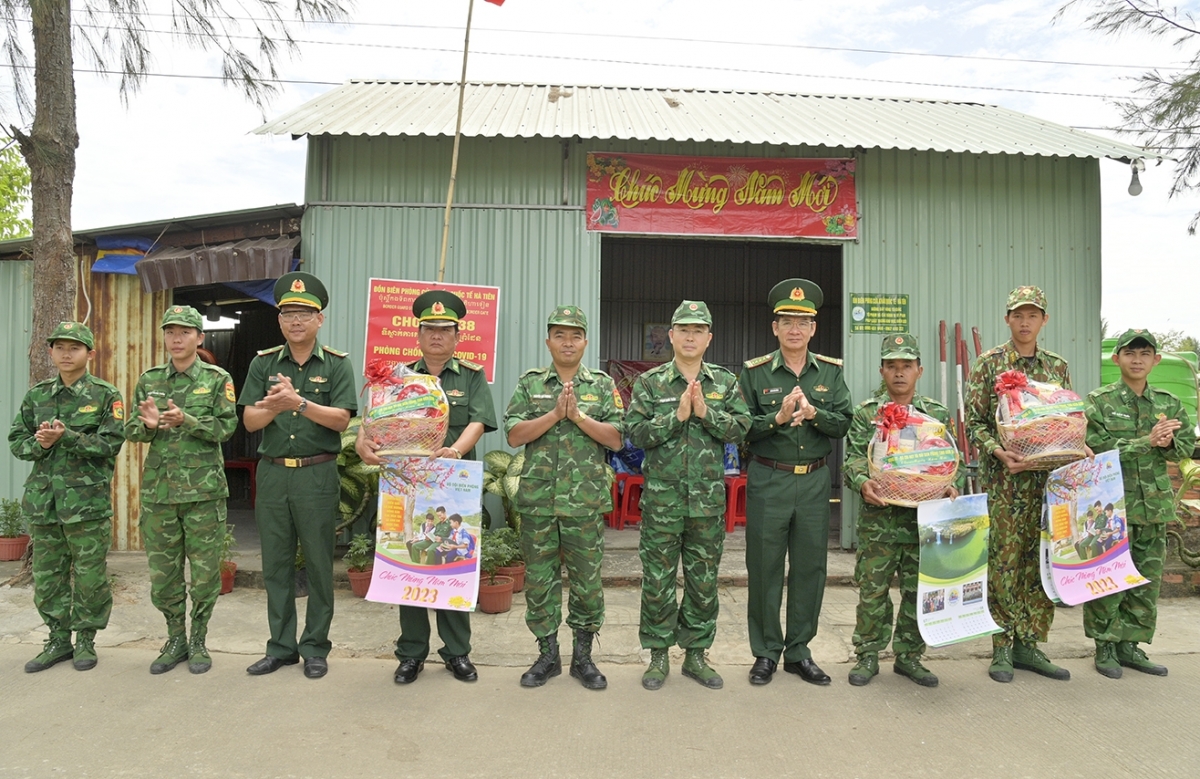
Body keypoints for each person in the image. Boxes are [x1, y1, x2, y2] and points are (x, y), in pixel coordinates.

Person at [358, 290, 497, 685]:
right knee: (409, 564)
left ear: (458, 336)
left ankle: (457, 653)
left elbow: (479, 421)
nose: (437, 336)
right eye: (430, 329)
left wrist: (453, 450)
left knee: (451, 564)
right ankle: (411, 653)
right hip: (406, 482)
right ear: (417, 334)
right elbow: (374, 422)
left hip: (451, 484)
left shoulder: (471, 376)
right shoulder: (398, 377)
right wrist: (362, 443)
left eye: (445, 330)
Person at [626, 300, 750, 690]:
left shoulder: (725, 383)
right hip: (662, 502)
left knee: (702, 580)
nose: (691, 336)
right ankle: (659, 655)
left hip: (707, 503)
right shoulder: (650, 383)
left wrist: (705, 413)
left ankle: (696, 655)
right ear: (672, 336)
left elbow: (741, 429)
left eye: (699, 330)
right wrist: (676, 416)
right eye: (684, 329)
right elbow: (635, 434)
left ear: (709, 338)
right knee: (658, 580)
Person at [239, 272, 357, 680]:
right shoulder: (262, 363)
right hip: (273, 476)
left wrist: (299, 402)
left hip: (317, 475)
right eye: (288, 313)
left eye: (305, 313)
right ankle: (281, 647)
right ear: (279, 319)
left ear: (319, 319)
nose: (296, 321)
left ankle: (316, 647)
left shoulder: (338, 365)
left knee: (321, 565)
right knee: (275, 564)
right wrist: (278, 404)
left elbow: (341, 420)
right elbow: (251, 421)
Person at [965, 285, 1083, 683]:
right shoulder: (989, 363)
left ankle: (1030, 644)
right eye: (1019, 315)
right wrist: (999, 452)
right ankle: (1001, 646)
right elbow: (975, 423)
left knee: (1040, 560)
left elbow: (1065, 419)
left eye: (1033, 315)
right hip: (1007, 483)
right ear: (1008, 319)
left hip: (1048, 485)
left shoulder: (1057, 367)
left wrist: (1075, 446)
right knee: (1004, 562)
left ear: (1044, 320)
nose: (1025, 322)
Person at [738, 279, 852, 686]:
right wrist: (779, 419)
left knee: (809, 568)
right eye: (787, 321)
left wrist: (814, 412)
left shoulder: (831, 373)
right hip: (770, 478)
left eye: (802, 322)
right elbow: (741, 429)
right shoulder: (754, 373)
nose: (794, 329)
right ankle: (766, 652)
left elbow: (843, 424)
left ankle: (799, 652)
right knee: (764, 568)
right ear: (775, 328)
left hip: (815, 482)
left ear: (813, 328)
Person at [505, 304, 623, 690]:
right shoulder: (530, 383)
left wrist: (579, 418)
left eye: (574, 335)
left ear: (585, 342)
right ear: (548, 341)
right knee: (540, 581)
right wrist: (555, 415)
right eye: (559, 335)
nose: (567, 342)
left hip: (584, 502)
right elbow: (514, 435)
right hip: (539, 501)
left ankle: (584, 658)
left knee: (587, 582)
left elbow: (617, 439)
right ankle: (547, 654)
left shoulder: (602, 385)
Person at [125, 305, 238, 675]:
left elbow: (226, 429)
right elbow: (132, 430)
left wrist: (185, 419)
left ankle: (199, 638)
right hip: (160, 494)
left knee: (205, 574)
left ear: (199, 337)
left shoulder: (218, 378)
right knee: (164, 574)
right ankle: (175, 638)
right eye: (170, 331)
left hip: (203, 493)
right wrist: (151, 424)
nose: (177, 338)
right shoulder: (150, 379)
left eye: (185, 332)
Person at [843, 333, 959, 688]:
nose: (898, 373)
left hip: (922, 521)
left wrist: (951, 484)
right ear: (881, 370)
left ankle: (910, 655)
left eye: (906, 366)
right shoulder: (868, 413)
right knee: (873, 590)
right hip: (879, 521)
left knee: (918, 590)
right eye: (891, 365)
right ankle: (868, 654)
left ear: (919, 370)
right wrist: (863, 482)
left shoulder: (935, 415)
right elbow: (851, 460)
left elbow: (954, 461)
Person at [9, 322, 125, 673]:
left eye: (74, 348)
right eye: (59, 347)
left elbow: (111, 443)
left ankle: (86, 640)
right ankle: (58, 639)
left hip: (86, 505)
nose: (65, 354)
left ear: (90, 354)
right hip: (45, 504)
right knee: (48, 576)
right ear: (50, 352)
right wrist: (39, 444)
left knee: (90, 577)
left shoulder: (106, 395)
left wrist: (68, 437)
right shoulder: (38, 396)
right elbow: (17, 441)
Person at [1084, 328, 1195, 679]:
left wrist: (1166, 443)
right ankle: (1105, 645)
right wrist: (1146, 441)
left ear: (1155, 360)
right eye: (1129, 353)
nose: (1137, 359)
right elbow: (1097, 448)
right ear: (1116, 359)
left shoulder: (1168, 403)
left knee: (1147, 579)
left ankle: (1130, 646)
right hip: (1110, 507)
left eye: (1145, 353)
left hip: (1154, 504)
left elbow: (1184, 450)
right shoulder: (1098, 401)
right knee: (1109, 577)